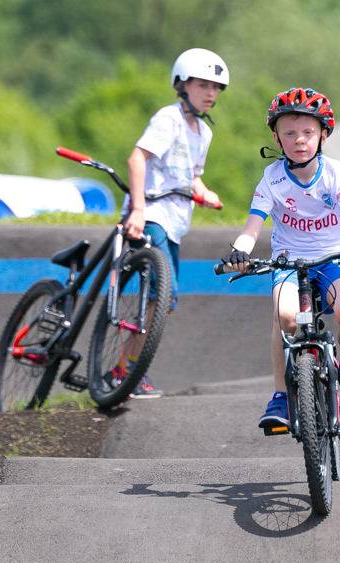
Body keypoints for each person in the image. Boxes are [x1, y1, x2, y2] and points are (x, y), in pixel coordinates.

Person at [221, 87, 340, 429]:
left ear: (323, 135)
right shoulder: (271, 178)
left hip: (333, 259)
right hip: (288, 264)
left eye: (308, 132)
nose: (299, 140)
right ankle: (281, 395)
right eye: (289, 133)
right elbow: (251, 228)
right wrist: (240, 251)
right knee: (285, 317)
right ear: (277, 139)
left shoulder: (334, 172)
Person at [121, 47, 228, 398]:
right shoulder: (168, 119)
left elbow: (192, 176)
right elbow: (138, 158)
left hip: (174, 222)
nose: (210, 94)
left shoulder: (204, 134)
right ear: (183, 85)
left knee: (165, 301)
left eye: (215, 88)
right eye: (202, 85)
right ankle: (127, 371)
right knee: (163, 292)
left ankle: (125, 368)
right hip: (151, 214)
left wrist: (205, 191)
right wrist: (137, 210)